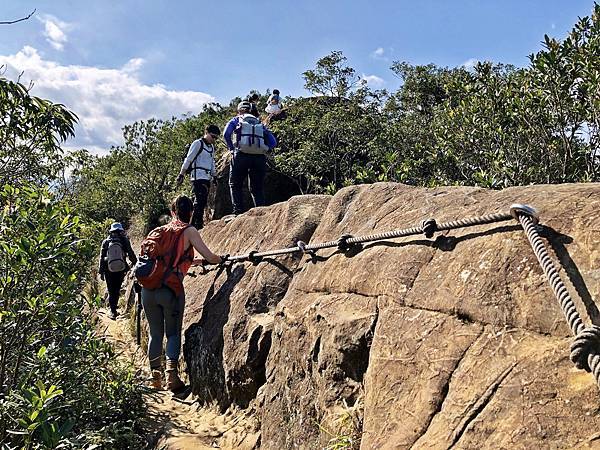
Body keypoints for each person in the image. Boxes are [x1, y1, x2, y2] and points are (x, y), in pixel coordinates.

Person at [141, 195, 223, 391]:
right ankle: (172, 378)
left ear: (172, 212)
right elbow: (210, 256)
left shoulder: (158, 231)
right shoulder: (189, 230)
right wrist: (221, 259)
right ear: (192, 212)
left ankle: (155, 378)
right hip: (170, 290)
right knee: (173, 333)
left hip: (148, 289)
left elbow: (162, 260)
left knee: (155, 333)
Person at [223, 101, 277, 216]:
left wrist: (232, 149)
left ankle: (238, 212)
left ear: (239, 110)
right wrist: (264, 149)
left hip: (241, 155)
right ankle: (261, 212)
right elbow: (273, 142)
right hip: (259, 158)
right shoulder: (259, 123)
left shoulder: (237, 119)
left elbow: (226, 134)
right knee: (257, 187)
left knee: (235, 184)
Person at [176, 124, 220, 229]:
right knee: (200, 200)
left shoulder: (211, 147)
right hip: (197, 176)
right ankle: (196, 225)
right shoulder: (197, 143)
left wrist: (214, 176)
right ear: (206, 133)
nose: (214, 139)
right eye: (212, 136)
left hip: (207, 177)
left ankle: (195, 224)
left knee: (202, 201)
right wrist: (181, 174)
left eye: (216, 138)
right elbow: (189, 159)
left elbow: (212, 162)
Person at [98, 222, 137, 320]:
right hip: (121, 268)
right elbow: (130, 253)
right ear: (120, 231)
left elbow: (102, 258)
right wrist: (136, 263)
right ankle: (114, 308)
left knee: (111, 290)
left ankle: (113, 311)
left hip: (108, 270)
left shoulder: (106, 241)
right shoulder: (124, 240)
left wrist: (101, 272)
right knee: (117, 288)